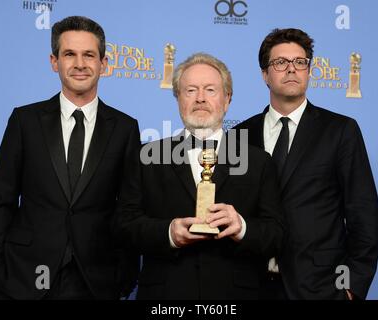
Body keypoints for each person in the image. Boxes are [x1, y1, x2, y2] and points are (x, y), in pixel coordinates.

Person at [0, 16, 141, 300]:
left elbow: (128, 210)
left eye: (89, 55)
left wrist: (124, 279)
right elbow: (1, 202)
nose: (80, 64)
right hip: (23, 278)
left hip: (95, 283)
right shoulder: (25, 121)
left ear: (104, 64)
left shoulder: (125, 128)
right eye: (70, 54)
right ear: (54, 61)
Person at [119, 53, 285, 299]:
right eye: (190, 90)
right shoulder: (147, 157)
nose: (200, 98)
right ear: (178, 99)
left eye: (210, 90)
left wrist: (242, 227)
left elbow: (276, 234)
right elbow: (124, 226)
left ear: (227, 99)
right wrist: (169, 233)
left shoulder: (258, 162)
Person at [234, 28, 378, 300]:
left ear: (309, 71)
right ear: (265, 74)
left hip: (320, 288)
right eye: (280, 63)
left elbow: (363, 213)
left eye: (300, 62)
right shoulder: (239, 136)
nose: (291, 69)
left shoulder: (340, 130)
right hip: (249, 285)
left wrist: (351, 287)